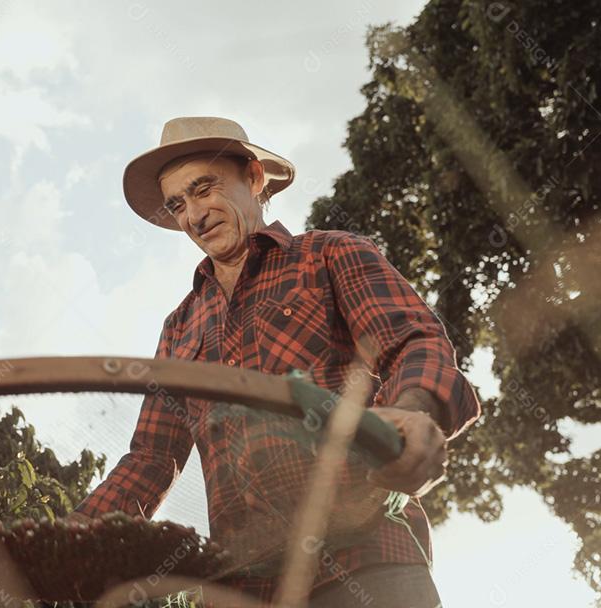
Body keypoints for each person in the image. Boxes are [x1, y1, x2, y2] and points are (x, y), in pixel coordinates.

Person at [70, 116, 481, 606]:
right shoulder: (179, 327)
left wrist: (413, 412)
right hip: (243, 586)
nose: (194, 215)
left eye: (204, 189)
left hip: (364, 556)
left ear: (254, 178)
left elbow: (414, 343)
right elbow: (152, 457)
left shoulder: (329, 255)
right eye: (178, 204)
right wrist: (70, 542)